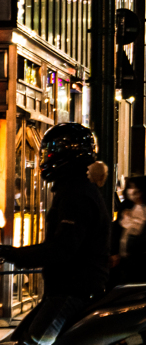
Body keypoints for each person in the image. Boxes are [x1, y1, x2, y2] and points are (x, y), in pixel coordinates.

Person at [0, 123, 110, 345]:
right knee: (20, 337)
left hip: (72, 291)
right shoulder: (76, 191)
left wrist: (12, 254)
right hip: (66, 289)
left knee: (33, 341)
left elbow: (61, 249)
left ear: (66, 153)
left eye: (51, 151)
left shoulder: (76, 196)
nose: (45, 158)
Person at [110, 175, 146, 285]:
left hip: (137, 262)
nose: (130, 191)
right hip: (143, 261)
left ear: (140, 191)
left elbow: (129, 230)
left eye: (133, 187)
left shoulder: (139, 210)